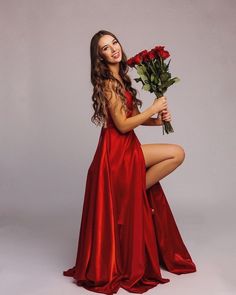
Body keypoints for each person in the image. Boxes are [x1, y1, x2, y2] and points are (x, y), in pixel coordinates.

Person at [63, 30, 197, 295]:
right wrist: (152, 108)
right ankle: (132, 194)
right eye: (105, 48)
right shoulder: (107, 83)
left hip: (124, 148)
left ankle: (129, 195)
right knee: (176, 153)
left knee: (175, 154)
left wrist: (158, 120)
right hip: (116, 153)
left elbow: (130, 117)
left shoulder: (119, 77)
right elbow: (123, 125)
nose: (113, 48)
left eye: (114, 42)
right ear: (99, 57)